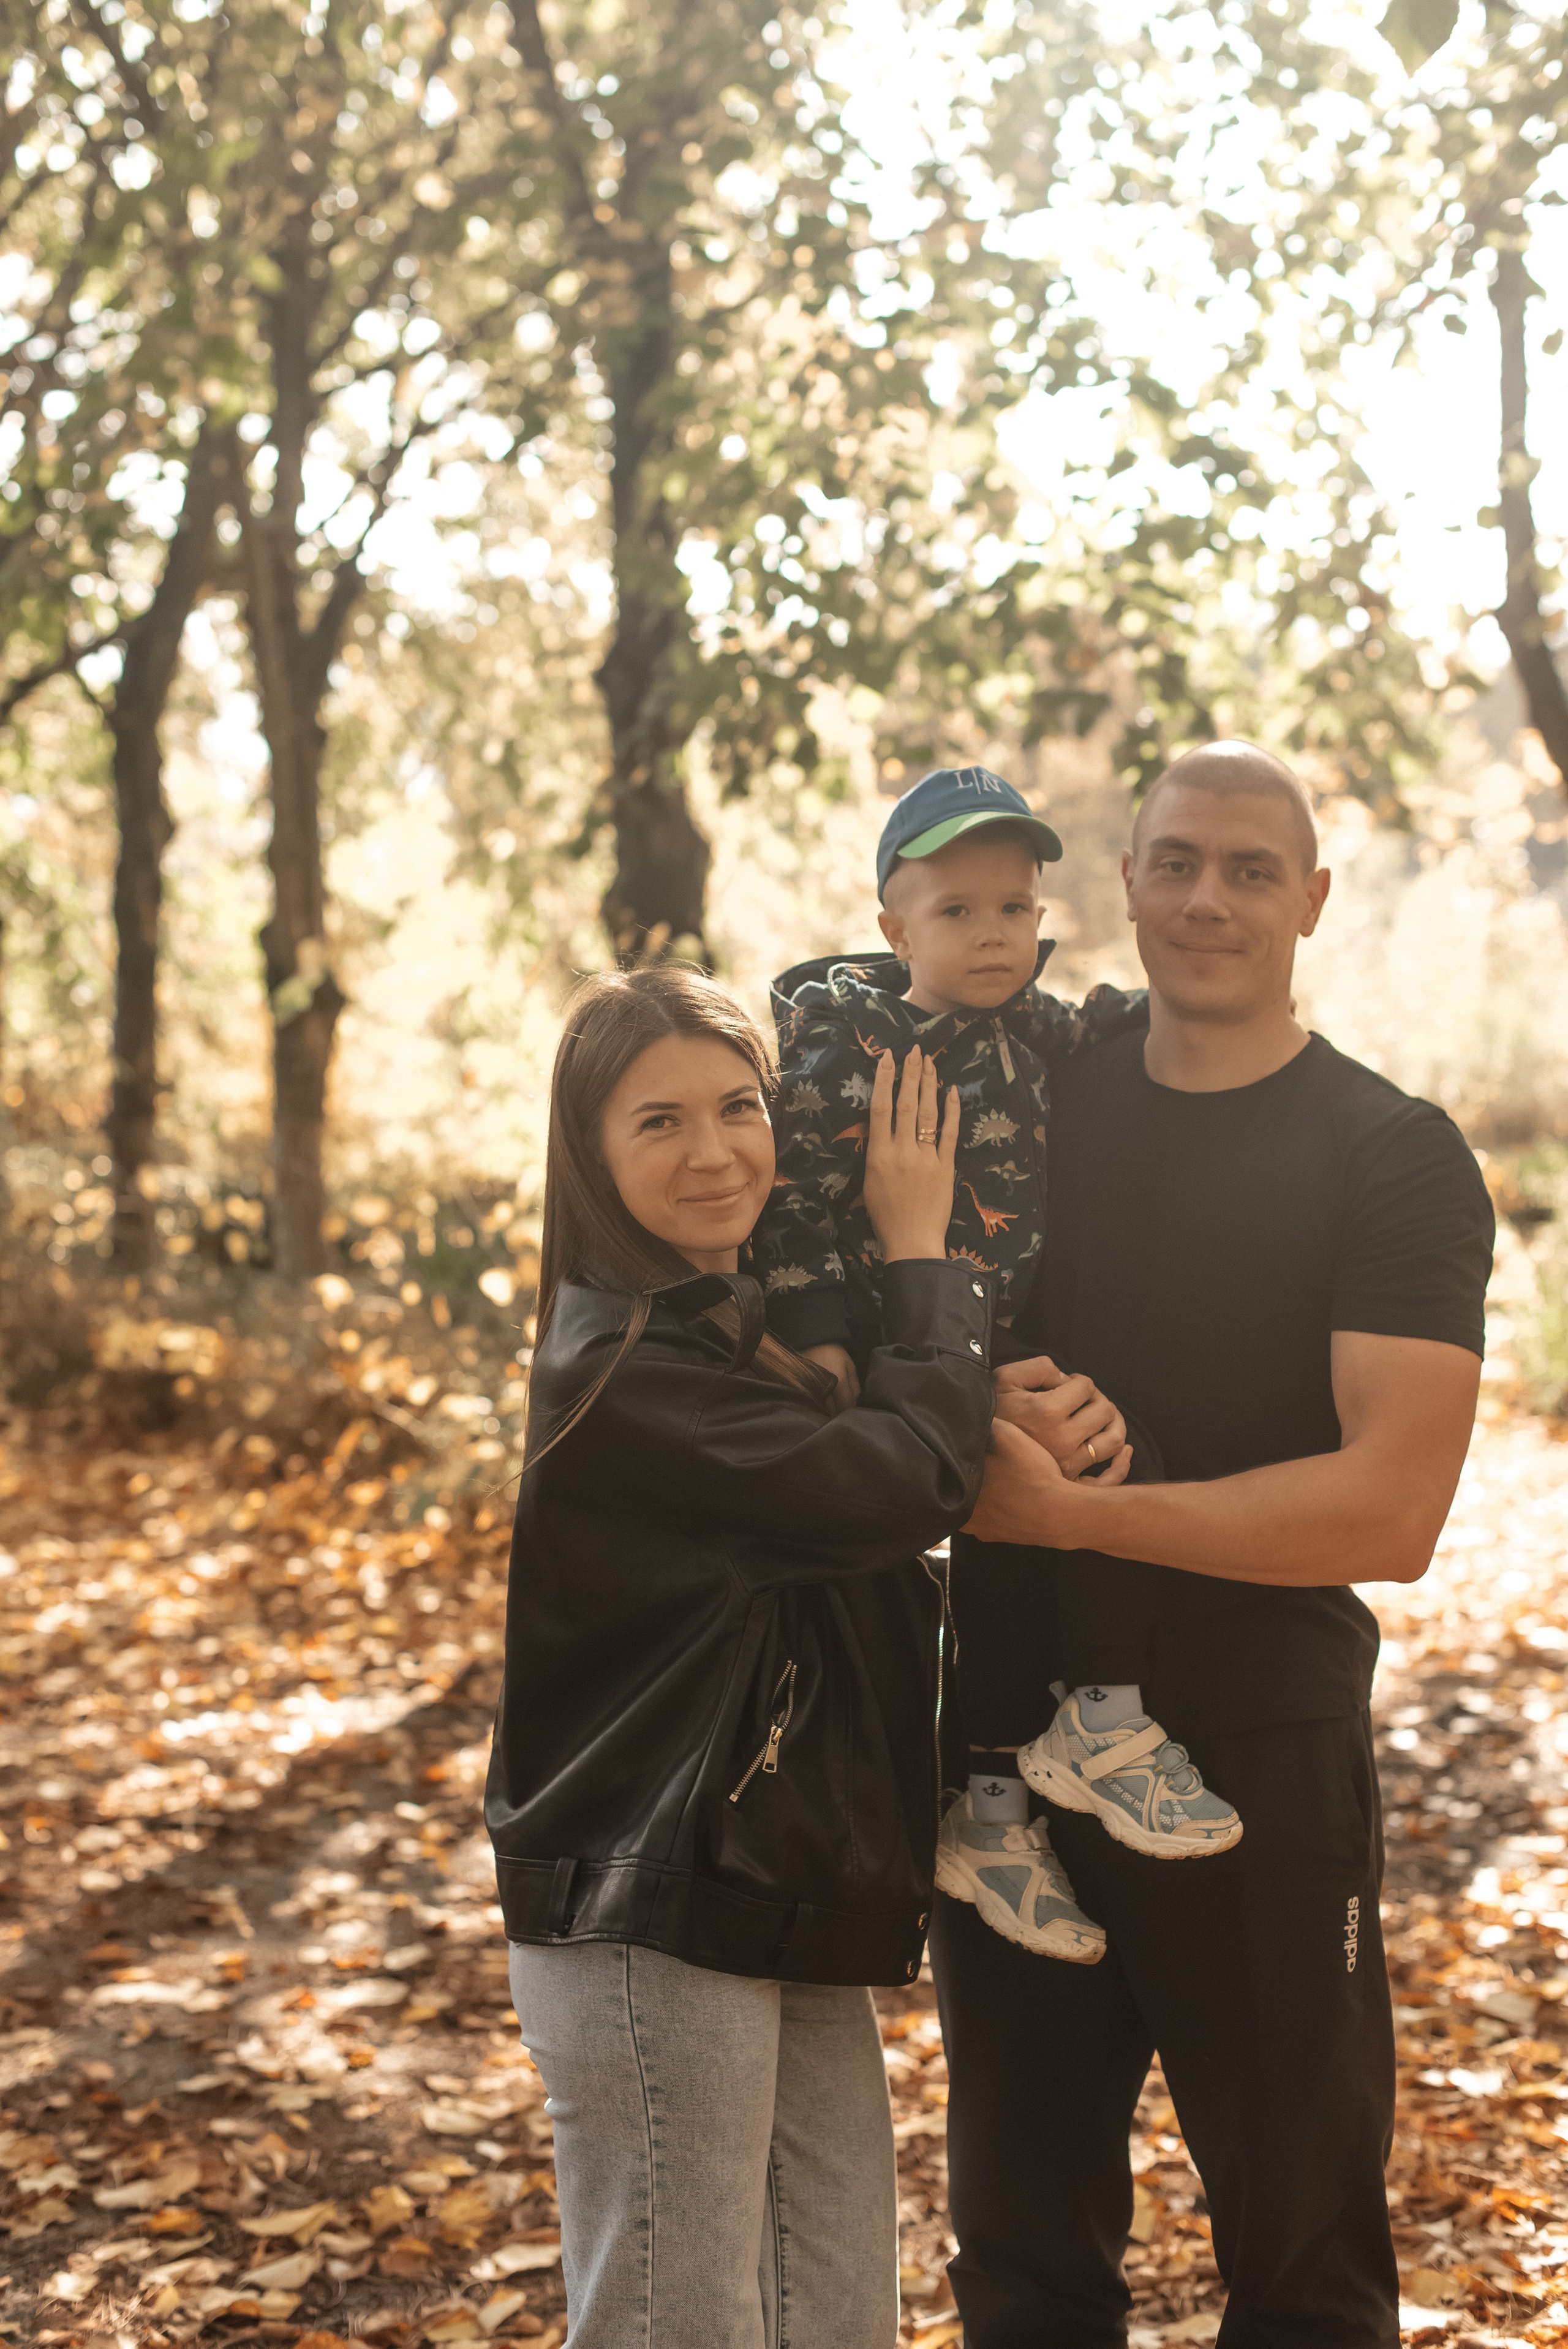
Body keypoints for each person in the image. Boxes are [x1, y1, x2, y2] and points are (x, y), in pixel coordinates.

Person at [935, 741, 1496, 2349]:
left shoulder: (1390, 1154)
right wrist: (962, 1387)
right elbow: (864, 1237)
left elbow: (1391, 1507)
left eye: (1253, 870)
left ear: (1313, 900)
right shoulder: (1031, 1090)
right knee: (1023, 2267)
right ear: (1122, 878)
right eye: (1176, 860)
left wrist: (1083, 1513)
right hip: (1010, 1759)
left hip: (1256, 1755)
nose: (1207, 898)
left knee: (1305, 2268)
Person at [484, 963, 994, 2349]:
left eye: (738, 1106)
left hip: (773, 1872)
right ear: (589, 1152)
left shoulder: (749, 1335)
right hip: (650, 1904)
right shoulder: (628, 1369)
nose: (713, 1151)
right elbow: (903, 1484)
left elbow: (890, 1463)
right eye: (658, 1122)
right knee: (675, 2320)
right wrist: (919, 1255)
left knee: (833, 2307)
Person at [755, 764, 1238, 1970]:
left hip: (985, 1331)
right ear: (892, 928)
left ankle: (996, 1799)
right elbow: (800, 1207)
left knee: (1068, 1479)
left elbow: (1109, 1018)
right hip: (889, 1340)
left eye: (1015, 910)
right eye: (959, 911)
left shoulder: (1030, 1024)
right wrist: (828, 1345)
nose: (993, 934)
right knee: (1056, 1483)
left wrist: (1185, 1003)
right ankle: (1093, 1723)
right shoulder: (840, 1051)